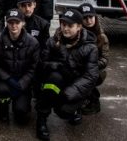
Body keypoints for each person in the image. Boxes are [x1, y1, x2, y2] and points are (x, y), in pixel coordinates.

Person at [36, 9, 99, 141]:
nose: (65, 29)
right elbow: (42, 64)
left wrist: (69, 93)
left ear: (79, 26)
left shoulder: (90, 47)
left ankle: (75, 109)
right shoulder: (53, 42)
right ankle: (41, 120)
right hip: (56, 80)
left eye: (70, 26)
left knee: (63, 111)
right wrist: (56, 66)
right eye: (63, 25)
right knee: (52, 81)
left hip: (74, 85)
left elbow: (91, 76)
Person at [0, 9, 40, 124]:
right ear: (6, 23)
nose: (13, 26)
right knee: (1, 90)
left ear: (23, 23)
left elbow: (34, 67)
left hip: (22, 80)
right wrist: (8, 79)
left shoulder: (33, 42)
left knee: (21, 113)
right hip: (5, 80)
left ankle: (21, 105)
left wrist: (22, 83)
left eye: (17, 22)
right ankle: (3, 110)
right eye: (10, 22)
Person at [79, 3, 109, 115]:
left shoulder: (102, 37)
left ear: (95, 17)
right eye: (85, 18)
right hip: (79, 67)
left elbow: (105, 59)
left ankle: (94, 102)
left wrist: (92, 65)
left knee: (87, 75)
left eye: (91, 17)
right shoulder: (77, 34)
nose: (88, 20)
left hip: (96, 70)